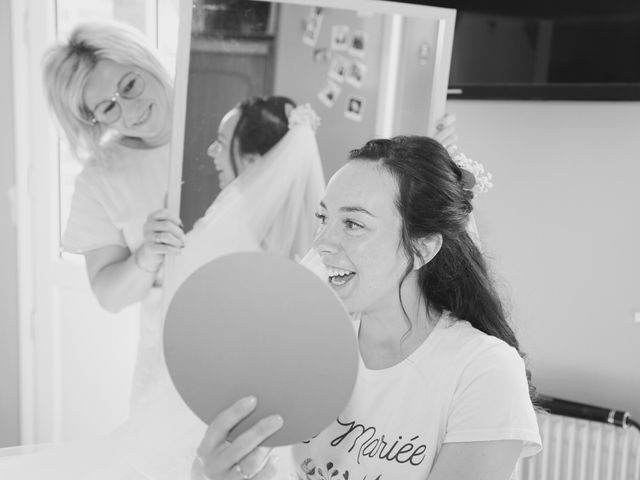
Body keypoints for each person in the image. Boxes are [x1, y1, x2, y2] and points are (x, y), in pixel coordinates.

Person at [194, 135, 541, 480]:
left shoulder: (484, 371)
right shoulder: (304, 350)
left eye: (353, 224)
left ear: (422, 248)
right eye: (323, 218)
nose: (322, 243)